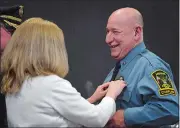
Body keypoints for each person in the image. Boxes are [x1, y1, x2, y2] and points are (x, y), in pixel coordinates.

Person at [1, 17, 127, 127]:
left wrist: (92, 99)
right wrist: (111, 94)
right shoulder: (50, 84)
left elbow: (52, 113)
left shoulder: (16, 83)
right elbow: (97, 119)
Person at [104, 7, 179, 128]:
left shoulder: (152, 66)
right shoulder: (116, 71)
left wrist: (126, 117)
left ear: (137, 32)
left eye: (115, 32)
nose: (108, 39)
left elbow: (171, 108)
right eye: (107, 31)